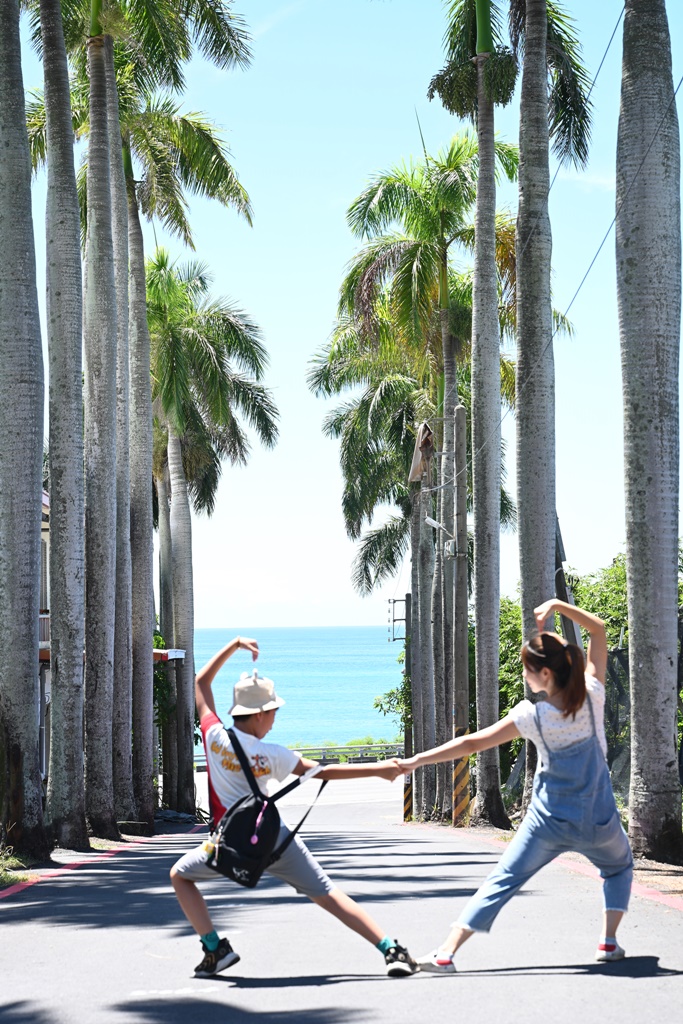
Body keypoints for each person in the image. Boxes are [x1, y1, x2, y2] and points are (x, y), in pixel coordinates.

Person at [398, 598, 633, 974]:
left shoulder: (531, 717)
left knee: (502, 880)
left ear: (543, 675)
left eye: (527, 670)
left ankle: (446, 953)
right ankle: (608, 942)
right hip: (598, 818)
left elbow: (471, 743)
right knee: (619, 868)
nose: (525, 676)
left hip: (548, 822)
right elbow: (599, 630)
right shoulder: (593, 696)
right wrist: (559, 605)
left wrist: (415, 761)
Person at [170, 635, 416, 978]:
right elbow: (324, 771)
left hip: (230, 846)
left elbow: (201, 683)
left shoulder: (213, 738)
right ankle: (391, 949)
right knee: (327, 893)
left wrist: (233, 645)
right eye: (273, 712)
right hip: (273, 841)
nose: (275, 720)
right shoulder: (273, 755)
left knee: (180, 876)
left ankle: (215, 948)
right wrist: (380, 770)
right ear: (259, 715)